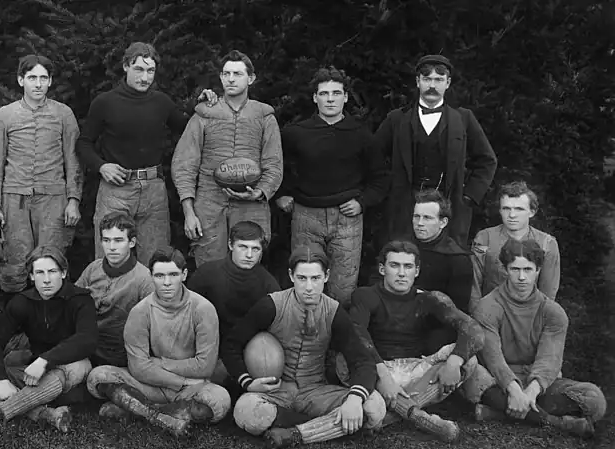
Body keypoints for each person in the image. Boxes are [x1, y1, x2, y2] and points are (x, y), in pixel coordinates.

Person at [225, 245, 385, 449]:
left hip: (316, 391)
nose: (309, 287)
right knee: (245, 411)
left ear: (326, 276)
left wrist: (354, 399)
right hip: (276, 391)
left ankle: (295, 433)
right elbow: (231, 344)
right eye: (302, 278)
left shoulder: (334, 311)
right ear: (291, 276)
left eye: (315, 278)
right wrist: (248, 383)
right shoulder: (272, 305)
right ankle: (325, 426)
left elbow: (362, 360)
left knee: (375, 405)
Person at [78, 42, 215, 263]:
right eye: (139, 69)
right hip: (116, 190)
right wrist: (101, 166)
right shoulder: (105, 102)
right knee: (110, 260)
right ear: (125, 66)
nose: (145, 77)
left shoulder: (161, 102)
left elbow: (188, 128)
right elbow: (83, 143)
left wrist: (201, 105)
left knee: (156, 261)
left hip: (153, 191)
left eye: (150, 71)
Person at [461, 239, 606, 437]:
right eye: (515, 269)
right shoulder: (487, 307)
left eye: (528, 269)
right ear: (506, 269)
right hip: (497, 382)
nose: (522, 277)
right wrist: (514, 391)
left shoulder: (553, 312)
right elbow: (493, 359)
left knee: (594, 400)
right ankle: (555, 422)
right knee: (471, 374)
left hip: (535, 383)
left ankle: (497, 413)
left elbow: (549, 359)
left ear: (538, 270)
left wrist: (530, 393)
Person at [346, 240, 485, 442]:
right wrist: (383, 377)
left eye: (408, 266)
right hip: (376, 370)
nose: (402, 273)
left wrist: (454, 362)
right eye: (395, 265)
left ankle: (392, 413)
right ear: (382, 269)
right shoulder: (365, 295)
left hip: (415, 369)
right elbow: (357, 333)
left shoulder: (428, 299)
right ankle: (419, 416)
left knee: (469, 360)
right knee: (351, 361)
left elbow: (473, 330)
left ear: (417, 271)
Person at [86, 246, 230, 436]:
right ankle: (160, 416)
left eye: (173, 275)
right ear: (151, 276)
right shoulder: (140, 311)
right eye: (160, 276)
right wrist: (180, 382)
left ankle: (136, 409)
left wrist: (160, 363)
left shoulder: (203, 309)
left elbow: (205, 366)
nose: (167, 283)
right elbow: (138, 367)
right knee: (99, 376)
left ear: (184, 275)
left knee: (219, 400)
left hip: (190, 388)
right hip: (155, 384)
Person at [276, 66, 389, 303]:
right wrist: (281, 194)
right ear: (314, 97)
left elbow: (380, 177)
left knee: (343, 291)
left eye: (336, 93)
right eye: (324, 94)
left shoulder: (361, 134)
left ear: (345, 97)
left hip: (346, 219)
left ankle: (338, 328)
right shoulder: (295, 133)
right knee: (305, 285)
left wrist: (362, 202)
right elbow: (277, 166)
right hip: (306, 216)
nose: (330, 99)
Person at [0, 246, 96, 432]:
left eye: (52, 271)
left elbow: (87, 339)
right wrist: (1, 380)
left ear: (64, 273)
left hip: (70, 372)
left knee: (78, 365)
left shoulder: (80, 299)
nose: (47, 279)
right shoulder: (22, 302)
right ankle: (45, 414)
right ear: (32, 276)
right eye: (40, 273)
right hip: (36, 375)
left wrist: (45, 360)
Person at [373, 54, 497, 248]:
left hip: (449, 207)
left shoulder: (464, 119)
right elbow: (373, 156)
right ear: (418, 82)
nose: (432, 85)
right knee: (403, 256)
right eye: (427, 79)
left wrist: (468, 196)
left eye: (438, 80)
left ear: (448, 83)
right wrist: (388, 188)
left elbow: (487, 160)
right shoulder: (396, 119)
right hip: (405, 208)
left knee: (447, 257)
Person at [173, 50, 283, 267]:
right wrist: (189, 212)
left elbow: (274, 164)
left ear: (251, 78)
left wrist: (260, 192)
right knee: (209, 267)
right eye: (226, 74)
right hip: (209, 201)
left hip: (251, 204)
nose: (231, 79)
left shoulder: (264, 117)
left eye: (237, 74)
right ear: (221, 77)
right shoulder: (204, 114)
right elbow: (184, 165)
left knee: (248, 268)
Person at [0, 54, 82, 294]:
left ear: (50, 81)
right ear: (21, 80)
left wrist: (73, 200)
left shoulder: (64, 114)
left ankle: (54, 312)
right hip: (14, 200)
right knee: (14, 260)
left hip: (53, 199)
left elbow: (74, 160)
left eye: (43, 78)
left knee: (52, 259)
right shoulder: (4, 115)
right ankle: (16, 313)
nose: (38, 84)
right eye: (32, 78)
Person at [187, 221, 280, 388]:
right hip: (207, 350)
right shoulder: (206, 275)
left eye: (255, 249)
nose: (249, 255)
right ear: (230, 245)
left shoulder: (268, 285)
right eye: (243, 247)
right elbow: (186, 319)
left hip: (247, 353)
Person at [75, 212, 154, 367]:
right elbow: (72, 305)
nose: (111, 247)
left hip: (120, 355)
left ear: (132, 242)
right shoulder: (93, 269)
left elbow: (152, 329)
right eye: (106, 240)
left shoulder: (144, 279)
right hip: (86, 347)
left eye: (118, 240)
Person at [471, 181, 560, 307]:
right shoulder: (485, 238)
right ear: (500, 210)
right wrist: (477, 315)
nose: (512, 215)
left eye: (519, 209)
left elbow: (548, 293)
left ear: (532, 212)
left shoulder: (547, 243)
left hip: (530, 313)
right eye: (506, 209)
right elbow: (473, 286)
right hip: (490, 312)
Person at [411, 189, 472, 314]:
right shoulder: (400, 245)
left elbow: (458, 311)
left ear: (443, 222)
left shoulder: (457, 260)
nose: (419, 223)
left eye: (427, 218)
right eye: (416, 217)